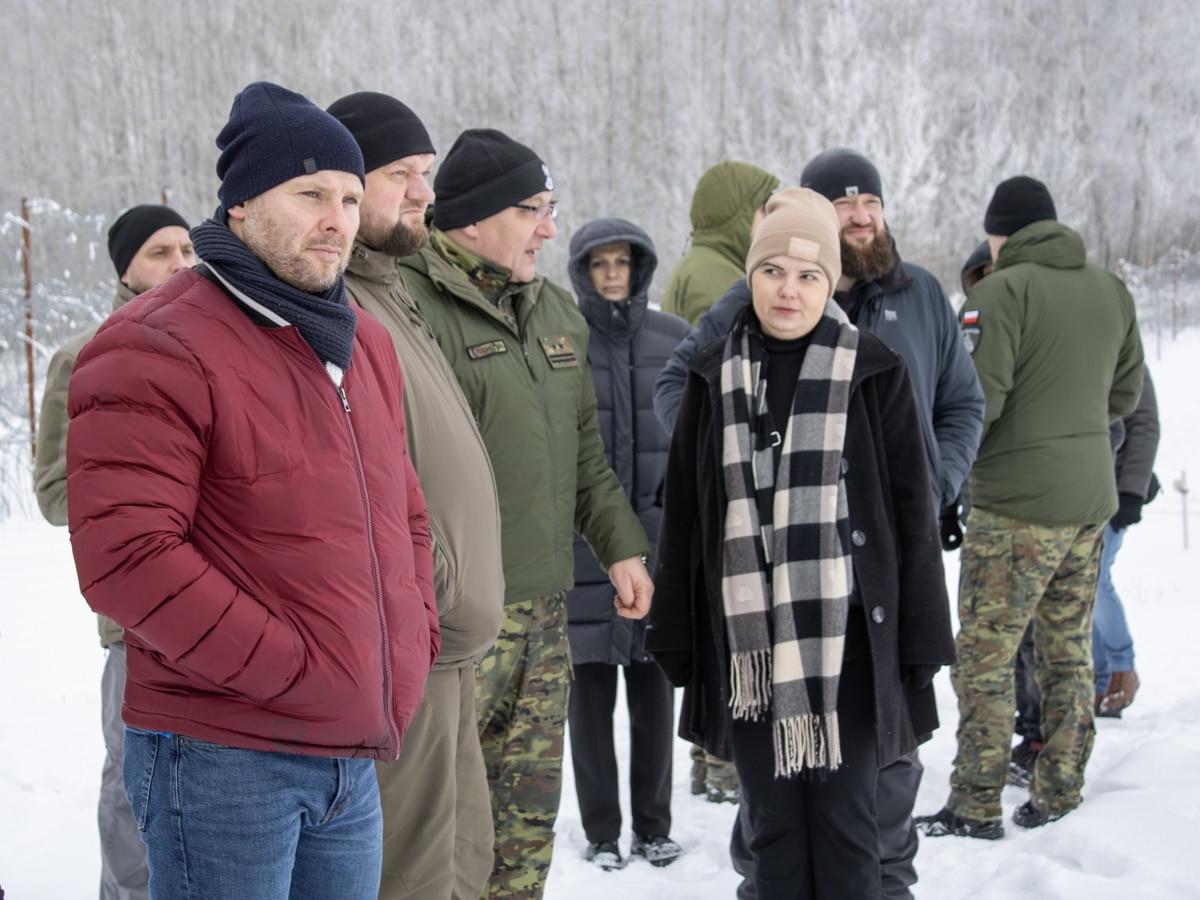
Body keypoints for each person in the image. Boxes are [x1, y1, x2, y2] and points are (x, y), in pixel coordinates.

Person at [65, 81, 439, 900]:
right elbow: (128, 557)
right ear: (240, 204)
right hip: (222, 756)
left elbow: (405, 514)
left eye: (349, 197)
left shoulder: (364, 343)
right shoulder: (155, 341)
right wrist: (295, 669)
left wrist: (407, 644)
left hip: (350, 756)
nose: (337, 220)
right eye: (310, 194)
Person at [655, 148, 985, 900]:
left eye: (809, 275)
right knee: (771, 837)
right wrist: (677, 635)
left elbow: (910, 514)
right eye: (773, 270)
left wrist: (922, 641)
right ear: (750, 276)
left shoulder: (873, 370)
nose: (789, 289)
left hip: (852, 646)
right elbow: (688, 517)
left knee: (848, 833)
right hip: (749, 647)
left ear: (830, 281)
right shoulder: (714, 374)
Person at [396, 128, 654, 900]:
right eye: (530, 210)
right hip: (452, 627)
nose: (549, 229)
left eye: (551, 208)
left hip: (544, 615)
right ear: (473, 219)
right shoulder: (409, 308)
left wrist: (621, 547)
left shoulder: (555, 311)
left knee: (525, 823)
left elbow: (584, 456)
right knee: (444, 831)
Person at [917, 175, 1144, 839]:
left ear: (999, 234)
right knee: (1067, 650)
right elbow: (1125, 396)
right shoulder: (1111, 290)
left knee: (985, 657)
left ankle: (975, 802)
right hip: (1089, 501)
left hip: (1015, 505)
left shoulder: (997, 293)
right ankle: (1059, 790)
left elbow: (977, 402)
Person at [328, 92, 505, 900]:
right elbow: (350, 488)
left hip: (444, 651)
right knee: (411, 875)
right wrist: (428, 588)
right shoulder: (336, 303)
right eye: (401, 174)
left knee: (461, 862)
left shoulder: (390, 289)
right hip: (404, 652)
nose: (424, 194)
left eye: (425, 174)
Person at [34, 202, 194, 900]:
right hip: (136, 618)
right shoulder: (83, 356)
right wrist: (145, 499)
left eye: (188, 249)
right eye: (160, 252)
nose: (181, 264)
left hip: (229, 606)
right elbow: (54, 492)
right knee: (136, 781)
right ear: (124, 270)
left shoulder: (221, 344)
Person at [564, 218, 689, 871]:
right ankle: (603, 831)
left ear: (640, 268)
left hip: (657, 548)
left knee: (652, 698)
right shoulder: (562, 339)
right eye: (599, 263)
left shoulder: (673, 338)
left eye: (622, 262)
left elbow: (692, 438)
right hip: (581, 552)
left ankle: (654, 826)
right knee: (587, 703)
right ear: (582, 271)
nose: (612, 274)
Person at [661, 159, 780, 803]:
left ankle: (712, 765)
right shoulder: (717, 278)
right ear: (742, 215)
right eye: (765, 209)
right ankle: (724, 766)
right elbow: (713, 377)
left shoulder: (706, 265)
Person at [1094, 365, 1158, 716]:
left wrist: (1132, 489)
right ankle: (1099, 678)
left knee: (1096, 579)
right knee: (1081, 584)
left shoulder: (1121, 349)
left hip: (1116, 489)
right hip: (1076, 488)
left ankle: (1122, 668)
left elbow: (1144, 423)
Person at [661, 160, 779, 326]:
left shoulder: (713, 263)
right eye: (763, 209)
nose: (769, 219)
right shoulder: (710, 275)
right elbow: (715, 341)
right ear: (738, 215)